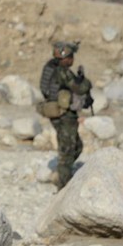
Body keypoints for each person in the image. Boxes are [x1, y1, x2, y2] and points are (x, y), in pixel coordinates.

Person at [39, 41, 92, 190]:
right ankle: (63, 187)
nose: (72, 60)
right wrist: (86, 83)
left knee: (76, 146)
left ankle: (64, 175)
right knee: (67, 151)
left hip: (59, 113)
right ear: (66, 58)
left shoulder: (51, 67)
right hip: (64, 115)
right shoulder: (62, 71)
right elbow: (79, 88)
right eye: (71, 57)